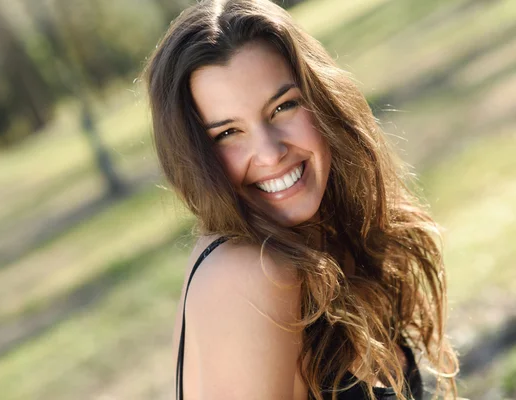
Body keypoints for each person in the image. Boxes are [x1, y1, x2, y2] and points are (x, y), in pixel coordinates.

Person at [144, 0, 459, 398]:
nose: (271, 152)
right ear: (196, 158)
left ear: (322, 99)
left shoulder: (322, 241)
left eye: (282, 107)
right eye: (227, 133)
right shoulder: (248, 272)